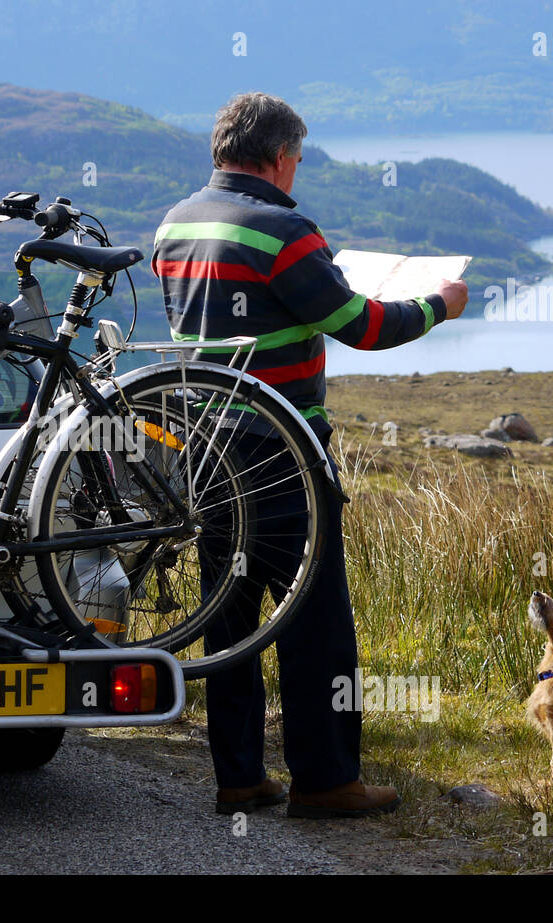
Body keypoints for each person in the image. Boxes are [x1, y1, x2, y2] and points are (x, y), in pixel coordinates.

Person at [151, 92, 469, 818]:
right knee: (314, 622)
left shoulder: (176, 222)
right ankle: (325, 781)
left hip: (206, 453)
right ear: (278, 155)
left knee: (229, 620)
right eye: (296, 158)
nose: (296, 170)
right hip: (282, 452)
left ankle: (238, 778)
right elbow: (361, 326)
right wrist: (438, 306)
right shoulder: (284, 230)